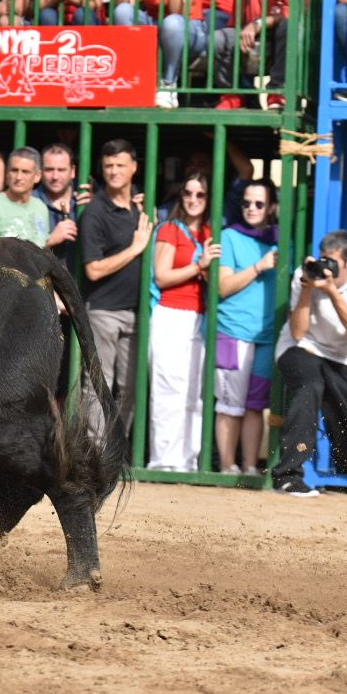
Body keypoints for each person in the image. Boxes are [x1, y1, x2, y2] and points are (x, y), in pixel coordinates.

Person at [274, 231, 347, 494]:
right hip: (303, 347)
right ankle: (288, 476)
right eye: (325, 260)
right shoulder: (308, 273)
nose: (327, 268)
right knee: (310, 386)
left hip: (344, 357)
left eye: (333, 263)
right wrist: (307, 288)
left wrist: (332, 291)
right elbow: (298, 332)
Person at [80, 139, 154, 442]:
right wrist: (136, 249)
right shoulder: (95, 211)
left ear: (134, 168)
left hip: (137, 313)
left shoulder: (140, 208)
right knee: (98, 384)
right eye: (108, 165)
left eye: (120, 165)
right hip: (103, 311)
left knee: (131, 386)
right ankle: (94, 452)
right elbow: (93, 269)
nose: (114, 171)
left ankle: (114, 448)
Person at [147, 172, 219, 472]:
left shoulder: (211, 231)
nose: (192, 200)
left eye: (200, 195)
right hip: (171, 315)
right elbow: (162, 276)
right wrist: (198, 266)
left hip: (199, 317)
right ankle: (164, 461)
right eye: (188, 193)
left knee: (194, 392)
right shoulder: (170, 230)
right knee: (168, 391)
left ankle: (188, 461)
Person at [215, 180, 279, 476]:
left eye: (259, 204)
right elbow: (222, 286)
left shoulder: (281, 240)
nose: (251, 209)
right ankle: (229, 466)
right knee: (230, 405)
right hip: (233, 331)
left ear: (272, 207)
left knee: (256, 405)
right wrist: (258, 267)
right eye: (246, 203)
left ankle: (251, 466)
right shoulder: (229, 237)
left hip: (267, 336)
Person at [34, 142, 88, 262]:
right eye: (49, 169)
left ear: (73, 171)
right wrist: (50, 240)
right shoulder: (29, 202)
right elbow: (18, 253)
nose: (55, 176)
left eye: (61, 170)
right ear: (40, 171)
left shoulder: (87, 197)